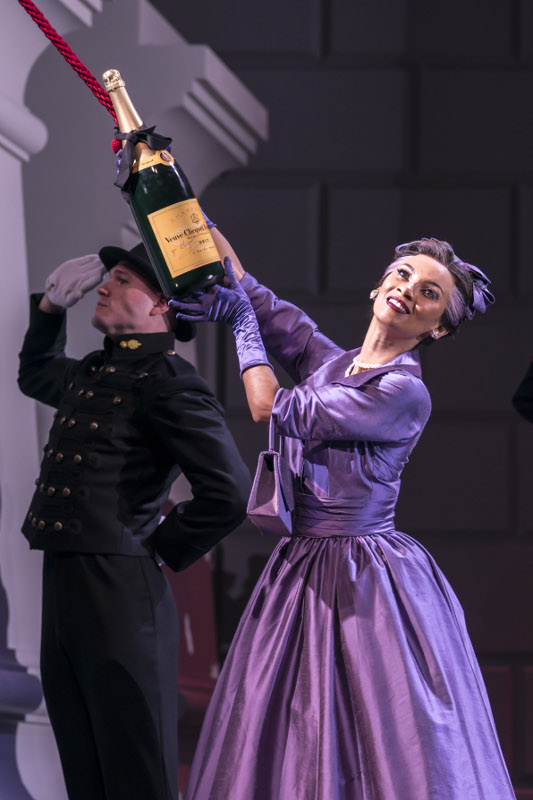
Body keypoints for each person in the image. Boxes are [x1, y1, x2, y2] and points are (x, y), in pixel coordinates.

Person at [173, 232, 516, 799]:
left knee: (374, 734)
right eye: (403, 275)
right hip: (300, 567)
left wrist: (239, 327)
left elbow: (272, 408)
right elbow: (252, 291)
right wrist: (173, 195)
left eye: (429, 292)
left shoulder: (404, 391)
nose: (408, 291)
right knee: (284, 722)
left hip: (365, 580)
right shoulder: (331, 363)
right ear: (381, 284)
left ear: (438, 328)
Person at [18, 243, 251, 800]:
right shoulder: (95, 372)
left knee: (134, 773)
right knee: (85, 763)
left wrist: (153, 545)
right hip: (67, 583)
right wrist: (49, 310)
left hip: (121, 591)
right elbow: (35, 375)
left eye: (122, 280)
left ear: (162, 306)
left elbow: (231, 491)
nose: (104, 286)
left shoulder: (169, 382)